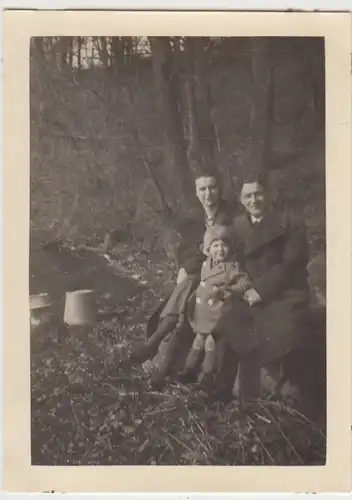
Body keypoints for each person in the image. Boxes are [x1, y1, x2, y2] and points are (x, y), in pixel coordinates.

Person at [211, 171, 319, 404]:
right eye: (248, 196)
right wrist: (240, 286)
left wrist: (259, 290)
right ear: (241, 200)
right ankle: (222, 389)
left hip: (285, 291)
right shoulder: (238, 226)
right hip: (249, 290)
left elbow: (291, 264)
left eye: (258, 194)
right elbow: (233, 261)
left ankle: (288, 395)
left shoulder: (289, 221)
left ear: (268, 195)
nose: (254, 201)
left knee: (286, 328)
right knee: (229, 320)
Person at [130, 170, 237, 385]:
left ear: (220, 189)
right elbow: (187, 252)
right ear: (197, 193)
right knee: (187, 289)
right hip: (199, 271)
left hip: (222, 273)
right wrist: (187, 267)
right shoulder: (193, 220)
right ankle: (161, 357)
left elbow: (235, 249)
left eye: (212, 188)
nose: (208, 194)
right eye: (203, 189)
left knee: (189, 289)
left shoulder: (234, 215)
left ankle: (156, 341)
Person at [177, 224, 252, 387]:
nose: (220, 250)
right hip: (202, 312)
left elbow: (244, 284)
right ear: (208, 249)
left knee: (211, 343)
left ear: (230, 248)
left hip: (217, 312)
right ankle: (189, 370)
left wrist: (229, 290)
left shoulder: (232, 267)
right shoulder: (206, 265)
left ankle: (207, 374)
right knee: (198, 340)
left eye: (224, 245)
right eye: (215, 245)